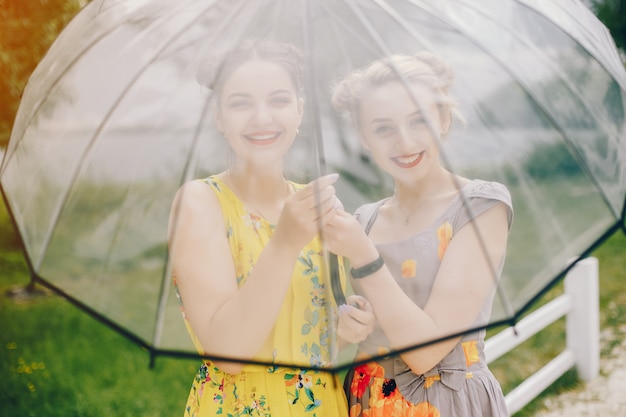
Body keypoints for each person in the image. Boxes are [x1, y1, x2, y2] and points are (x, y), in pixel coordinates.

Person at [167, 39, 373, 417]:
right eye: (241, 103)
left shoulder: (317, 206)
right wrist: (284, 243)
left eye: (278, 100)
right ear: (218, 116)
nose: (261, 118)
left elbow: (307, 346)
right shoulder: (199, 203)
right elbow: (228, 353)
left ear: (299, 110)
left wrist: (345, 331)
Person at [325, 52, 514, 416]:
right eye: (383, 128)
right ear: (364, 137)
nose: (405, 142)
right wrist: (348, 327)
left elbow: (426, 352)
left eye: (419, 120)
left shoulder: (479, 207)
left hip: (446, 403)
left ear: (443, 119)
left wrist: (363, 255)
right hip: (364, 403)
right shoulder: (361, 221)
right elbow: (336, 337)